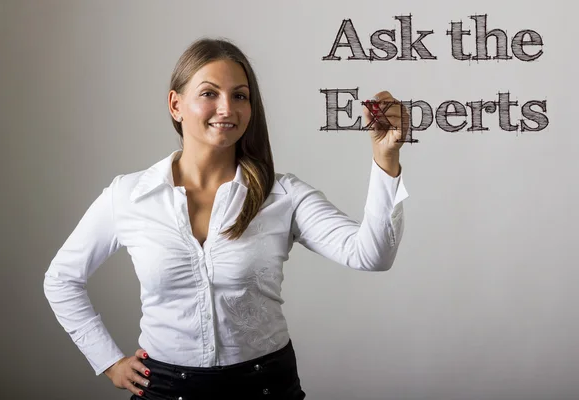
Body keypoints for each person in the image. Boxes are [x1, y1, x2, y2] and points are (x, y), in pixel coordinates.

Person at [43, 38, 410, 400]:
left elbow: (371, 255)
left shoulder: (283, 195)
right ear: (176, 105)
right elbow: (61, 280)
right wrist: (108, 361)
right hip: (166, 390)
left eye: (240, 96)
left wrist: (385, 159)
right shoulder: (129, 195)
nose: (227, 108)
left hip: (265, 387)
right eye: (209, 93)